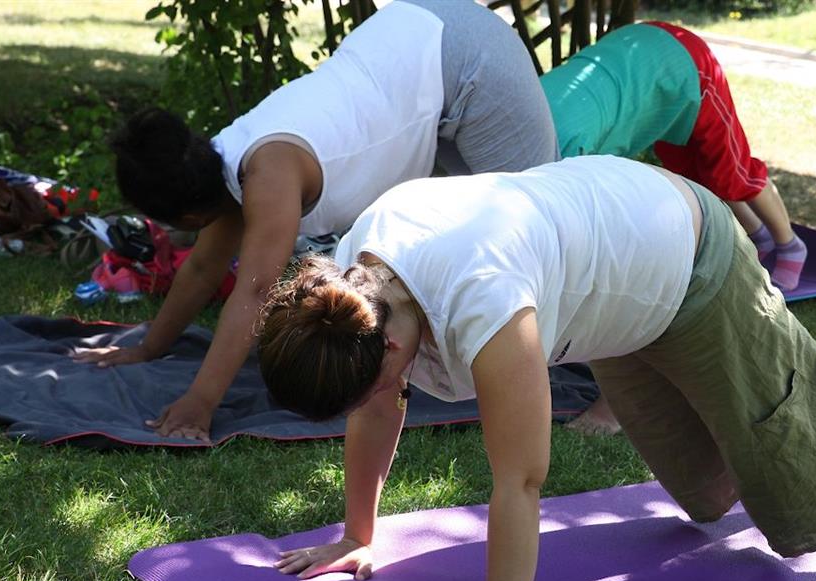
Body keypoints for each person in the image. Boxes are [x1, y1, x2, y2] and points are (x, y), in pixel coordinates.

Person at [257, 156, 816, 581]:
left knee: (800, 459)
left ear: (387, 343)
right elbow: (376, 407)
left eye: (372, 384)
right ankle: (749, 433)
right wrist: (357, 533)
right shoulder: (352, 283)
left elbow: (520, 480)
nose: (378, 400)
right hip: (614, 297)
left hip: (690, 260)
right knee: (705, 498)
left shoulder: (483, 299)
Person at [74, 0, 558, 441]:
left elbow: (257, 291)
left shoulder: (269, 172)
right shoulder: (220, 169)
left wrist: (200, 403)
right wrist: (147, 348)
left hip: (463, 53)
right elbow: (202, 269)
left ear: (189, 215)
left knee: (545, 225)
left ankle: (614, 393)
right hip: (416, 44)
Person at [542, 21, 805, 291]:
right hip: (644, 76)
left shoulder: (561, 154)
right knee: (697, 175)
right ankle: (758, 237)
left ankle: (790, 245)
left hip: (684, 63)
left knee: (733, 172)